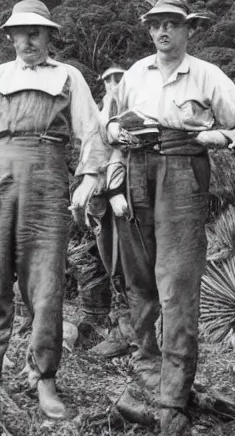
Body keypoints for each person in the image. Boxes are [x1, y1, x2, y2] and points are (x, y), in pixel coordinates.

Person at [106, 0, 235, 434]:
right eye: (156, 24)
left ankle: (174, 395)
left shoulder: (206, 74)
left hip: (182, 171)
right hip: (135, 169)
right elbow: (107, 127)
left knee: (177, 283)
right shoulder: (135, 74)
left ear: (187, 29)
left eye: (172, 24)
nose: (162, 31)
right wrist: (114, 158)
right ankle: (147, 369)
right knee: (138, 278)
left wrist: (219, 138)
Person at [0, 0, 112, 419]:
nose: (27, 39)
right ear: (10, 36)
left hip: (47, 181)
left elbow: (94, 135)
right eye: (20, 32)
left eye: (36, 32)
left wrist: (86, 181)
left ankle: (45, 379)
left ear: (49, 36)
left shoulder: (69, 77)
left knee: (46, 286)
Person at [85, 65, 136, 358]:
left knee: (128, 265)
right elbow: (91, 155)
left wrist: (116, 192)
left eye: (119, 78)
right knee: (107, 264)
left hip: (125, 199)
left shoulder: (131, 111)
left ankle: (132, 334)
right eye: (109, 79)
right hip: (100, 200)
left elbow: (123, 154)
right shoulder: (97, 113)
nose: (114, 83)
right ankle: (119, 329)